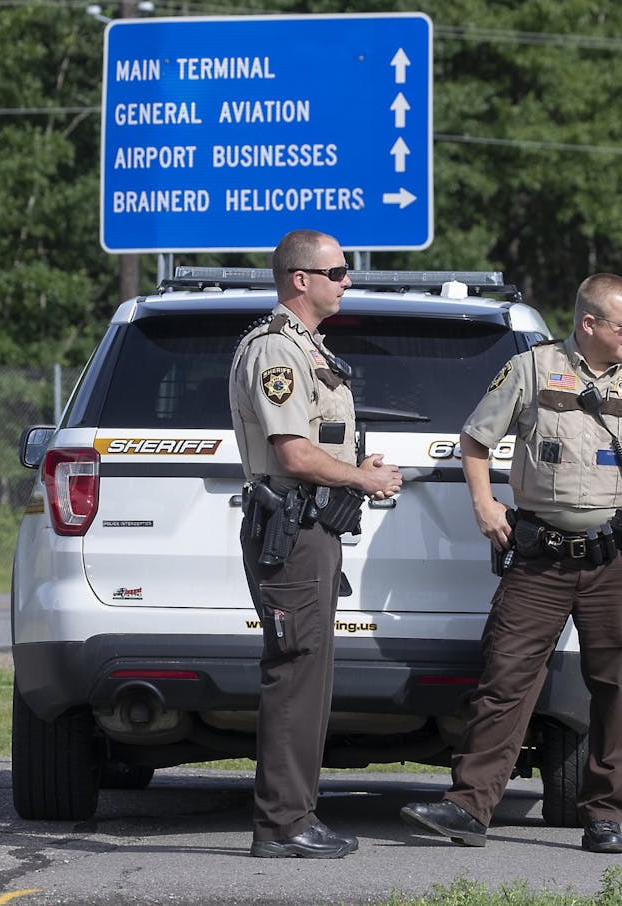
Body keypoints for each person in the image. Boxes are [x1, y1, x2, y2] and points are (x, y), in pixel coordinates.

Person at [400, 272, 622, 854]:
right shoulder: (532, 368)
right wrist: (485, 503)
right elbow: (475, 439)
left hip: (619, 559)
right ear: (588, 324)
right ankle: (468, 809)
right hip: (540, 556)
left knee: (619, 688)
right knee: (505, 680)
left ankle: (604, 815)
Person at [229, 229, 403, 859]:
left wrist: (354, 462)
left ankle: (295, 815)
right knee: (295, 677)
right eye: (338, 271)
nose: (347, 280)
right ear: (300, 279)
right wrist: (364, 477)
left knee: (308, 676)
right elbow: (293, 453)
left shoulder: (308, 350)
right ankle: (281, 826)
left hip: (313, 532)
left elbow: (316, 442)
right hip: (293, 534)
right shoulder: (278, 352)